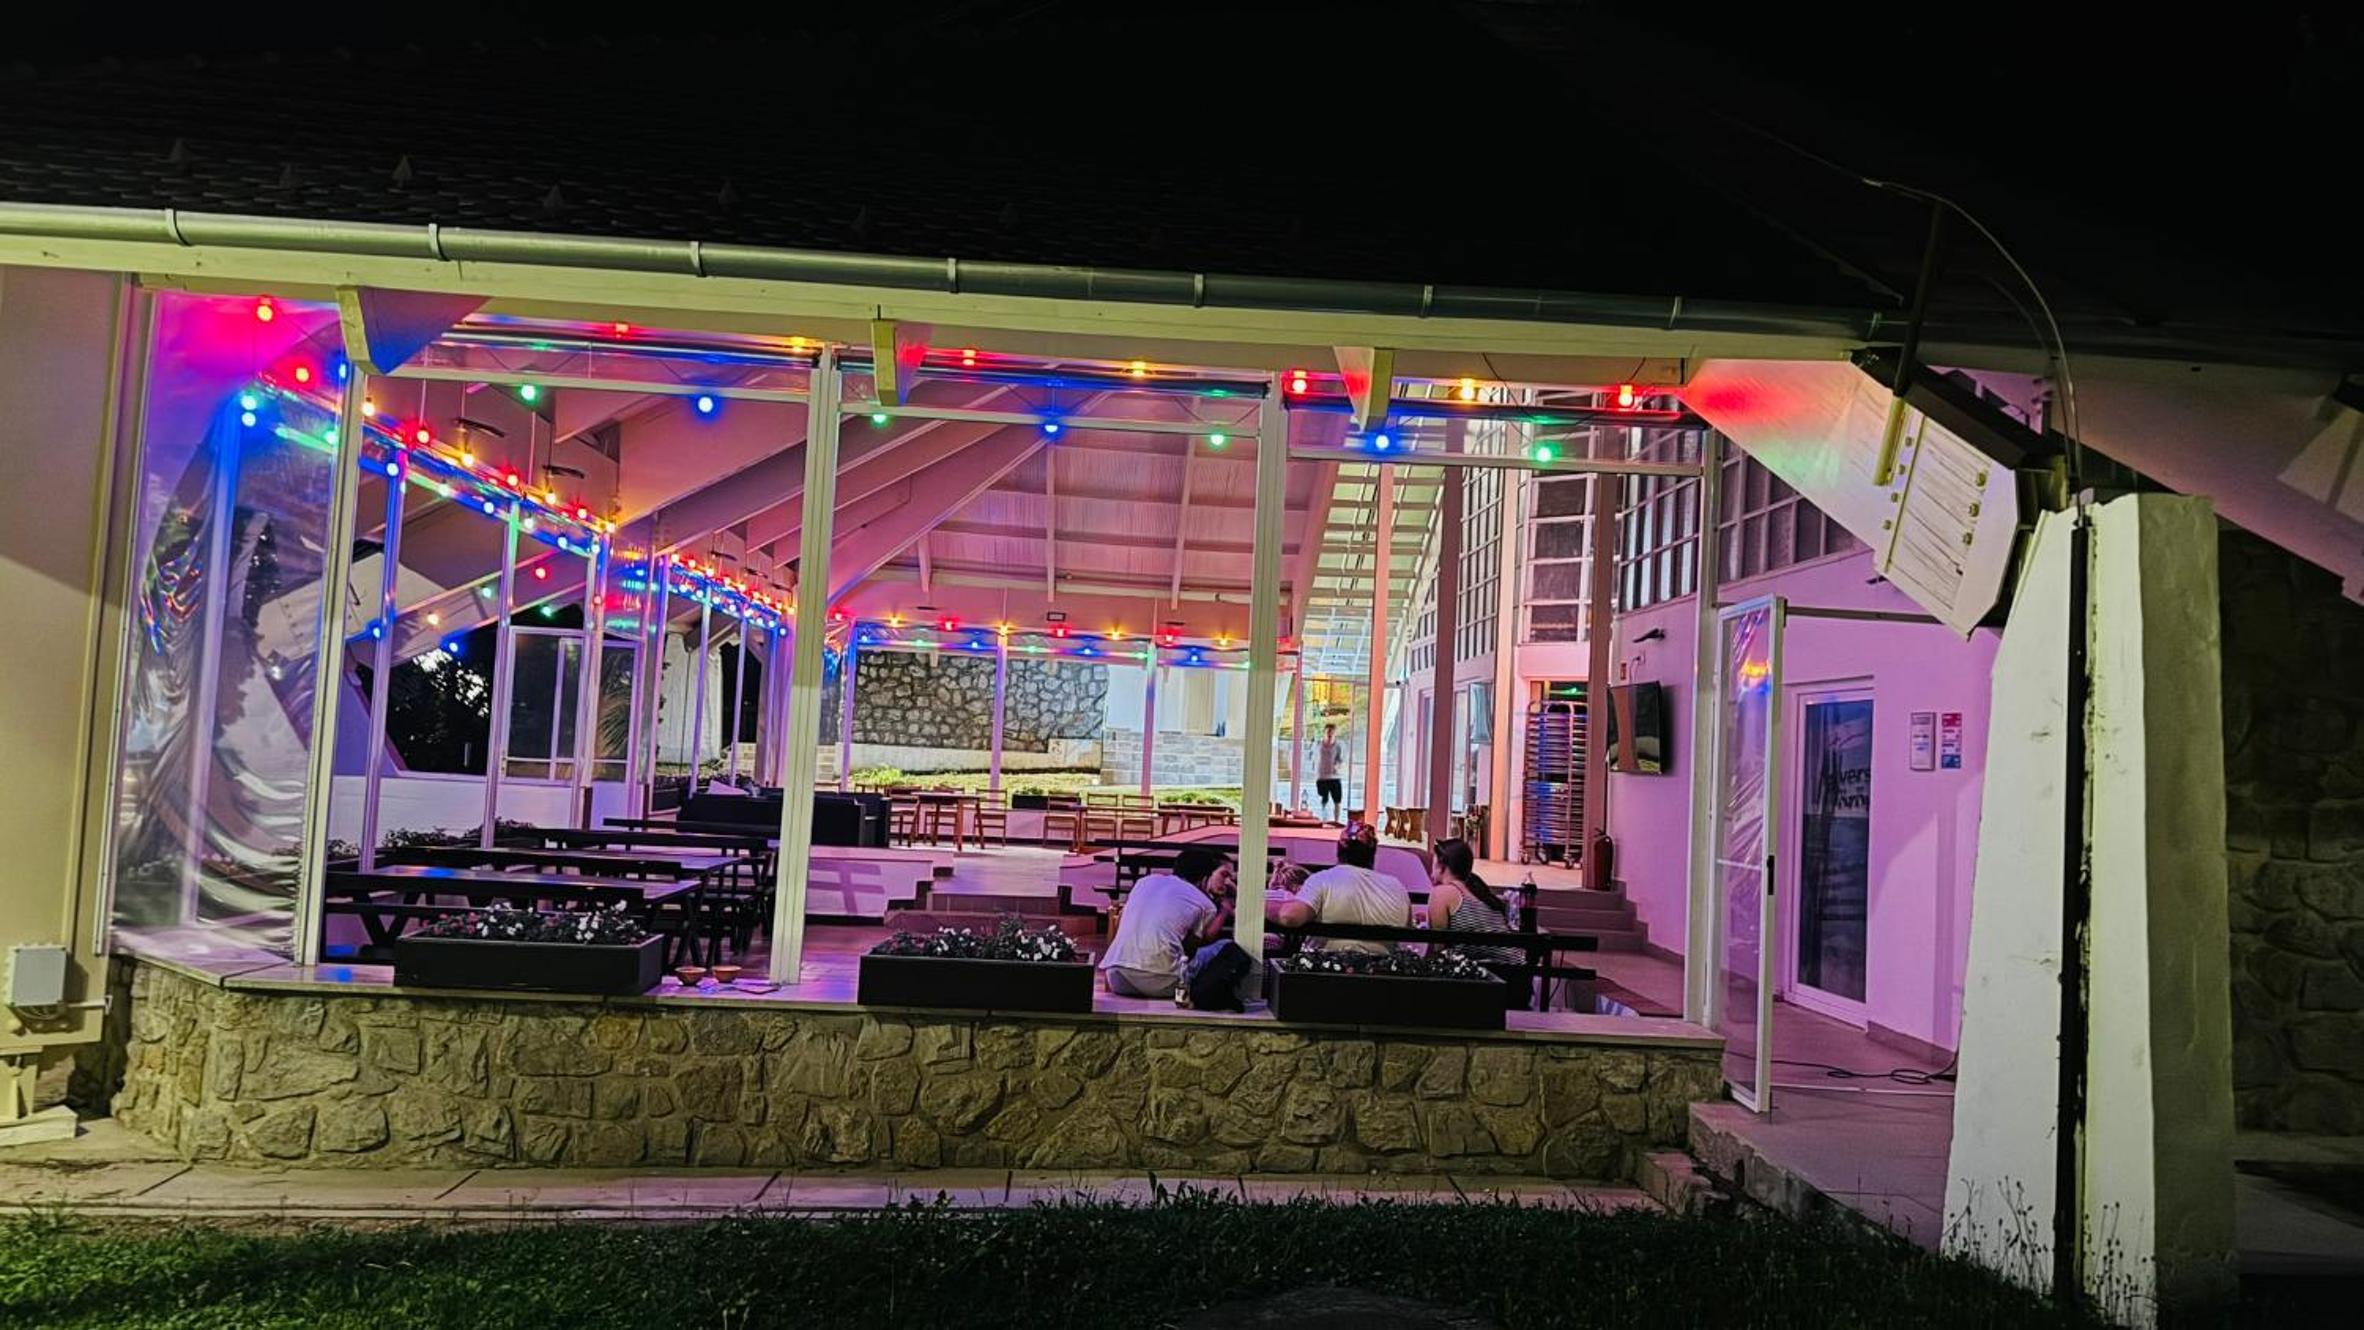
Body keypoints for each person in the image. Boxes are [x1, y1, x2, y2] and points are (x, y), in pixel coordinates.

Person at [1100, 847, 1232, 998]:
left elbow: (1120, 922)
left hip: (1117, 978)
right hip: (1162, 981)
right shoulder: (1204, 904)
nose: (1228, 882)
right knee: (1226, 946)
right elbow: (1193, 948)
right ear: (1205, 877)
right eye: (1224, 875)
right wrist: (1225, 910)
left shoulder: (1144, 882)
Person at [1267, 820, 1411, 953]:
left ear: (1340, 847)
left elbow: (1289, 917)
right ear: (1373, 852)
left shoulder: (1323, 880)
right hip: (1383, 968)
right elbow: (1408, 928)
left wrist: (1262, 904)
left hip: (1324, 968)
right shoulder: (1397, 887)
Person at [1426, 838, 1522, 964]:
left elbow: (1438, 948)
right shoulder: (1476, 891)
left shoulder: (1442, 893)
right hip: (1516, 968)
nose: (1431, 871)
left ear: (1441, 866)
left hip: (1494, 972)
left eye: (1433, 864)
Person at [1313, 724, 1345, 821]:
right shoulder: (1318, 745)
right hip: (1322, 777)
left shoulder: (1338, 746)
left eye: (1332, 733)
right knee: (1324, 799)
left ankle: (1336, 820)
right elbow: (1314, 758)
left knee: (1337, 800)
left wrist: (1337, 766)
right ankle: (1324, 818)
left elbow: (1341, 759)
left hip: (1334, 777)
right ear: (1324, 733)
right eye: (1328, 732)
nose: (1330, 735)